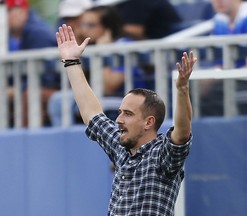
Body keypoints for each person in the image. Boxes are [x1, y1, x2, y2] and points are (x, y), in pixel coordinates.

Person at [56, 23, 196, 215]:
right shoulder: (121, 148)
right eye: (120, 112)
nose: (119, 119)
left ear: (149, 122)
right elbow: (91, 113)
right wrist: (72, 62)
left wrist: (182, 90)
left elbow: (182, 133)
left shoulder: (163, 156)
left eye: (128, 114)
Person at [6, 0, 58, 126]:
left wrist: (16, 89)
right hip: (34, 86)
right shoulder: (14, 35)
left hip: (55, 88)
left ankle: (22, 141)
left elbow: (47, 78)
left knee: (28, 95)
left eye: (8, 11)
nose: (5, 16)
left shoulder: (37, 33)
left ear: (22, 12)